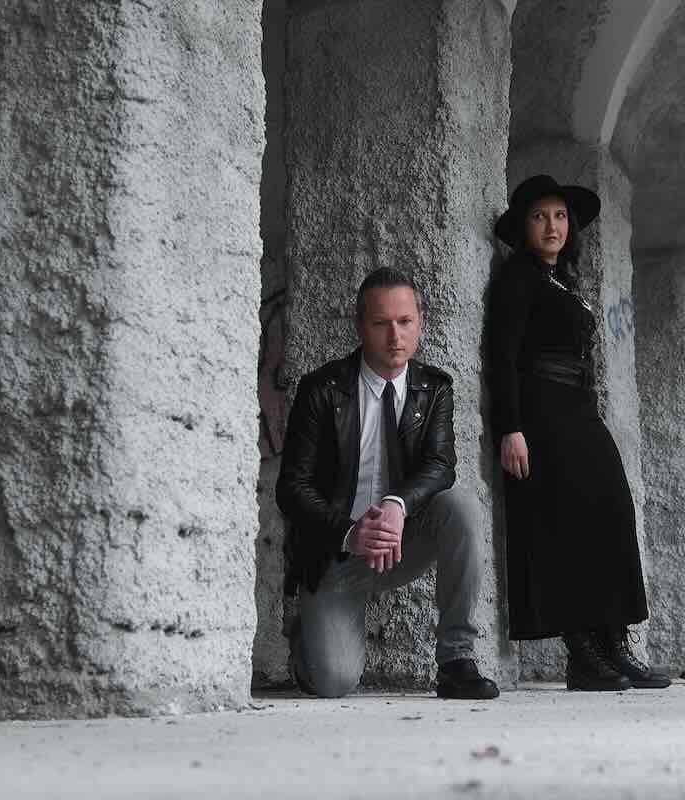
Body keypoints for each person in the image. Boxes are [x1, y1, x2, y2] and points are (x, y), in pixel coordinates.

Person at [276, 268, 499, 700]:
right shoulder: (322, 390)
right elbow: (293, 487)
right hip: (336, 553)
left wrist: (397, 504)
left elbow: (440, 465)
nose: (394, 335)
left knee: (463, 508)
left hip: (401, 543)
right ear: (360, 326)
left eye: (405, 322)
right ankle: (308, 636)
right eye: (380, 323)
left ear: (421, 323)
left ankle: (456, 660)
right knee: (333, 683)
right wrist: (348, 531)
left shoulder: (434, 389)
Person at [489, 174, 670, 691]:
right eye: (540, 216)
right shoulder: (517, 279)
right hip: (540, 414)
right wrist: (511, 428)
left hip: (578, 410)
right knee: (564, 527)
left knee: (611, 509)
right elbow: (501, 358)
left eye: (561, 216)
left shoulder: (563, 279)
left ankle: (614, 642)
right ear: (524, 226)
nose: (552, 226)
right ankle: (582, 654)